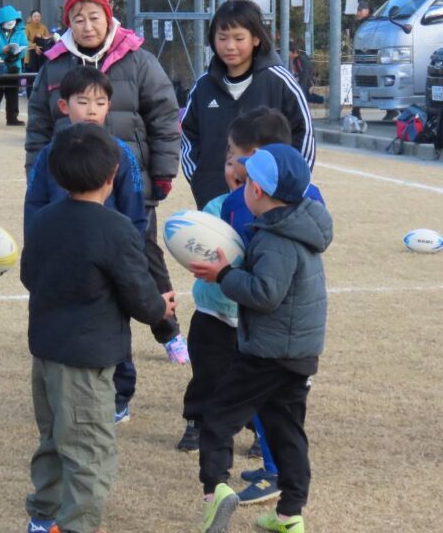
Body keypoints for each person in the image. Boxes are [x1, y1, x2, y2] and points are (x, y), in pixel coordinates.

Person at [21, 122, 176, 533]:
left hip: (46, 353)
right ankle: (76, 525)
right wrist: (160, 308)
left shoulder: (42, 220)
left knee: (53, 439)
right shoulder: (117, 228)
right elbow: (140, 295)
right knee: (89, 450)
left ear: (55, 174)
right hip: (86, 362)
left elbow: (28, 275)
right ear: (113, 174)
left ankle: (43, 516)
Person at [26, 0, 187, 366]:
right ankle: (75, 335)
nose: (87, 26)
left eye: (94, 16)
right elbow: (38, 128)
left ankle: (169, 331)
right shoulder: (54, 64)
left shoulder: (138, 59)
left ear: (108, 16)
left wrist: (162, 173)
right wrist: (36, 176)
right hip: (70, 187)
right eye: (78, 18)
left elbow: (164, 118)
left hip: (127, 186)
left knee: (144, 255)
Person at [180, 108, 326, 509]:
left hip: (268, 343)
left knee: (223, 415)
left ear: (257, 185)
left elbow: (265, 291)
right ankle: (291, 512)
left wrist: (225, 274)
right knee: (284, 424)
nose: (233, 170)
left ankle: (216, 491)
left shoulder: (278, 234)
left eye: (240, 162)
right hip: (290, 344)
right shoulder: (303, 213)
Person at [24, 67, 148, 423]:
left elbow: (135, 212)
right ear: (64, 106)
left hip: (108, 262)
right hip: (61, 261)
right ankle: (59, 391)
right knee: (61, 325)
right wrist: (38, 248)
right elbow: (34, 203)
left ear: (110, 106)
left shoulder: (121, 153)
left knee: (111, 327)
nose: (92, 109)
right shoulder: (51, 153)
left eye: (100, 102)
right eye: (83, 101)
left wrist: (132, 256)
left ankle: (119, 394)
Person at [181, 0, 315, 211]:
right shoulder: (203, 87)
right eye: (222, 38)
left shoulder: (279, 82)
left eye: (239, 38)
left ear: (256, 39)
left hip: (269, 203)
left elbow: (304, 133)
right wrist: (200, 179)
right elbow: (188, 136)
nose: (230, 46)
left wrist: (288, 186)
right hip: (213, 199)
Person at [0, 5, 28, 127]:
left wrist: (17, 54)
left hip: (14, 66)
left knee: (12, 92)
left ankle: (12, 118)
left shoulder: (20, 31)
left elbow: (24, 47)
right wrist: (1, 50)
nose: (11, 25)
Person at [349, 0, 373, 120]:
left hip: (370, 58)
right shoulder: (358, 23)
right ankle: (355, 110)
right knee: (358, 84)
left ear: (367, 10)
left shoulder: (372, 22)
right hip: (361, 57)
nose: (357, 13)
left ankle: (356, 110)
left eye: (360, 10)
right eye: (356, 10)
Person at [23, 9, 53, 100]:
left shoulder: (43, 27)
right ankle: (29, 96)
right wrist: (34, 46)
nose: (37, 18)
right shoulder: (27, 28)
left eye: (38, 16)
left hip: (41, 55)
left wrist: (43, 37)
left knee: (41, 76)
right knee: (30, 77)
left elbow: (48, 39)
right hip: (30, 55)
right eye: (35, 16)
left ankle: (40, 96)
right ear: (31, 17)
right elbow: (24, 41)